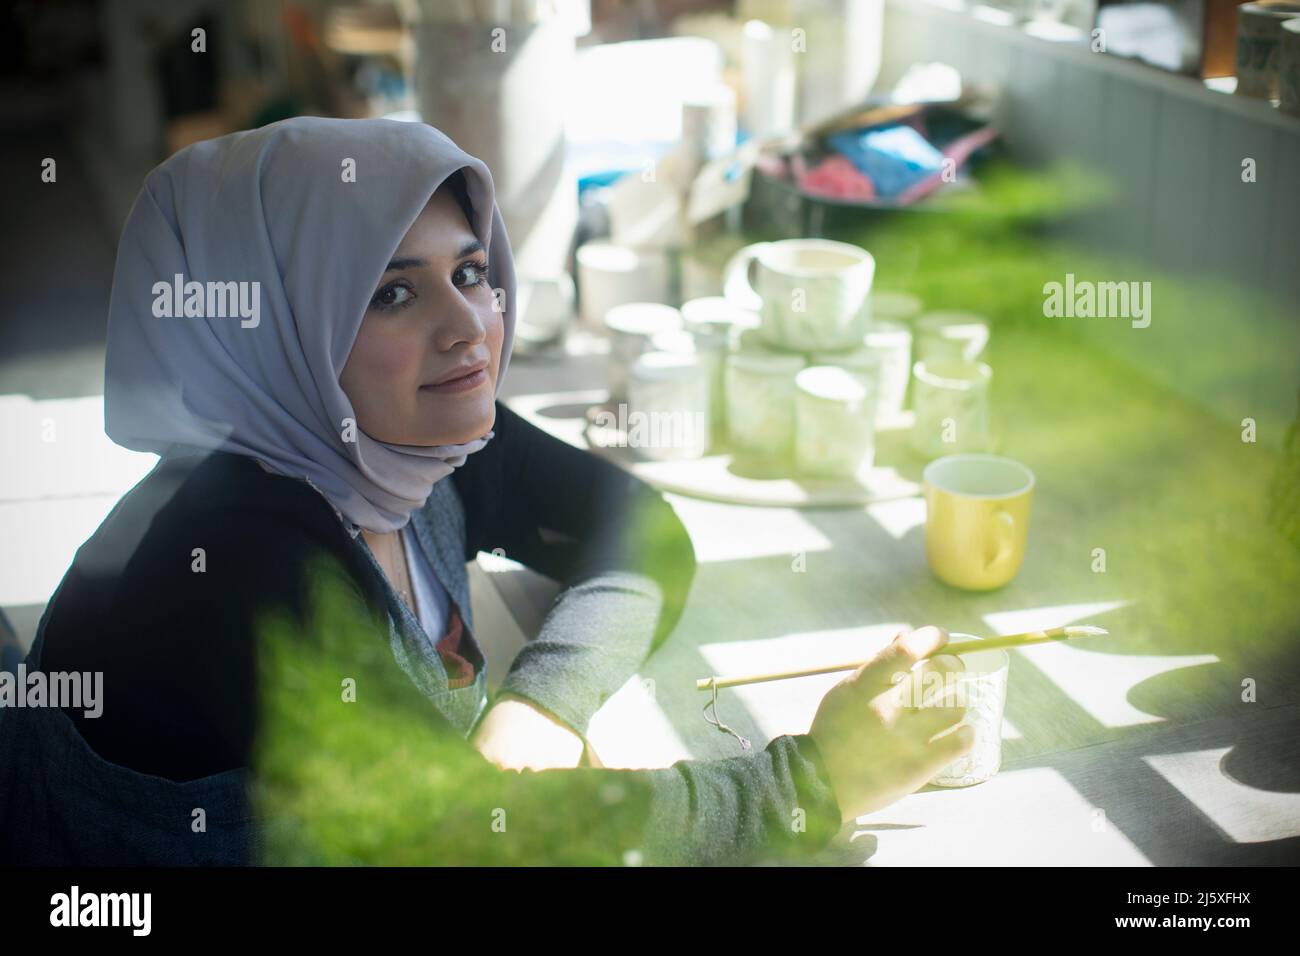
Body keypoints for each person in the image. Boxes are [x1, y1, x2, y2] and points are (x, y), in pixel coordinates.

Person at [0, 116, 972, 866]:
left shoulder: (409, 441)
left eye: (470, 271)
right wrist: (810, 780)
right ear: (278, 333)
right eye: (391, 292)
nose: (468, 326)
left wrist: (543, 701)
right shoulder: (235, 564)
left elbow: (639, 529)